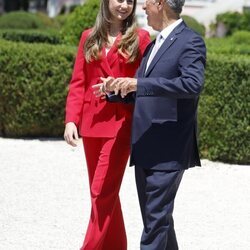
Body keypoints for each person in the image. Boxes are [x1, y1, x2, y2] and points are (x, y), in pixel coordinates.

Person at [100, 0, 206, 249]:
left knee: (154, 224)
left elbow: (192, 84)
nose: (143, 8)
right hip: (146, 145)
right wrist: (115, 90)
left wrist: (140, 84)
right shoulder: (154, 44)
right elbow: (145, 91)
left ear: (160, 4)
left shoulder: (190, 41)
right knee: (157, 219)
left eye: (147, 3)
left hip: (169, 149)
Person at [63, 0, 151, 249]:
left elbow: (145, 81)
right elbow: (78, 82)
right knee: (104, 194)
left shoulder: (140, 38)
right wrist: (72, 119)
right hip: (91, 126)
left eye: (130, 1)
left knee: (101, 193)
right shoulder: (88, 37)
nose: (124, 5)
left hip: (121, 125)